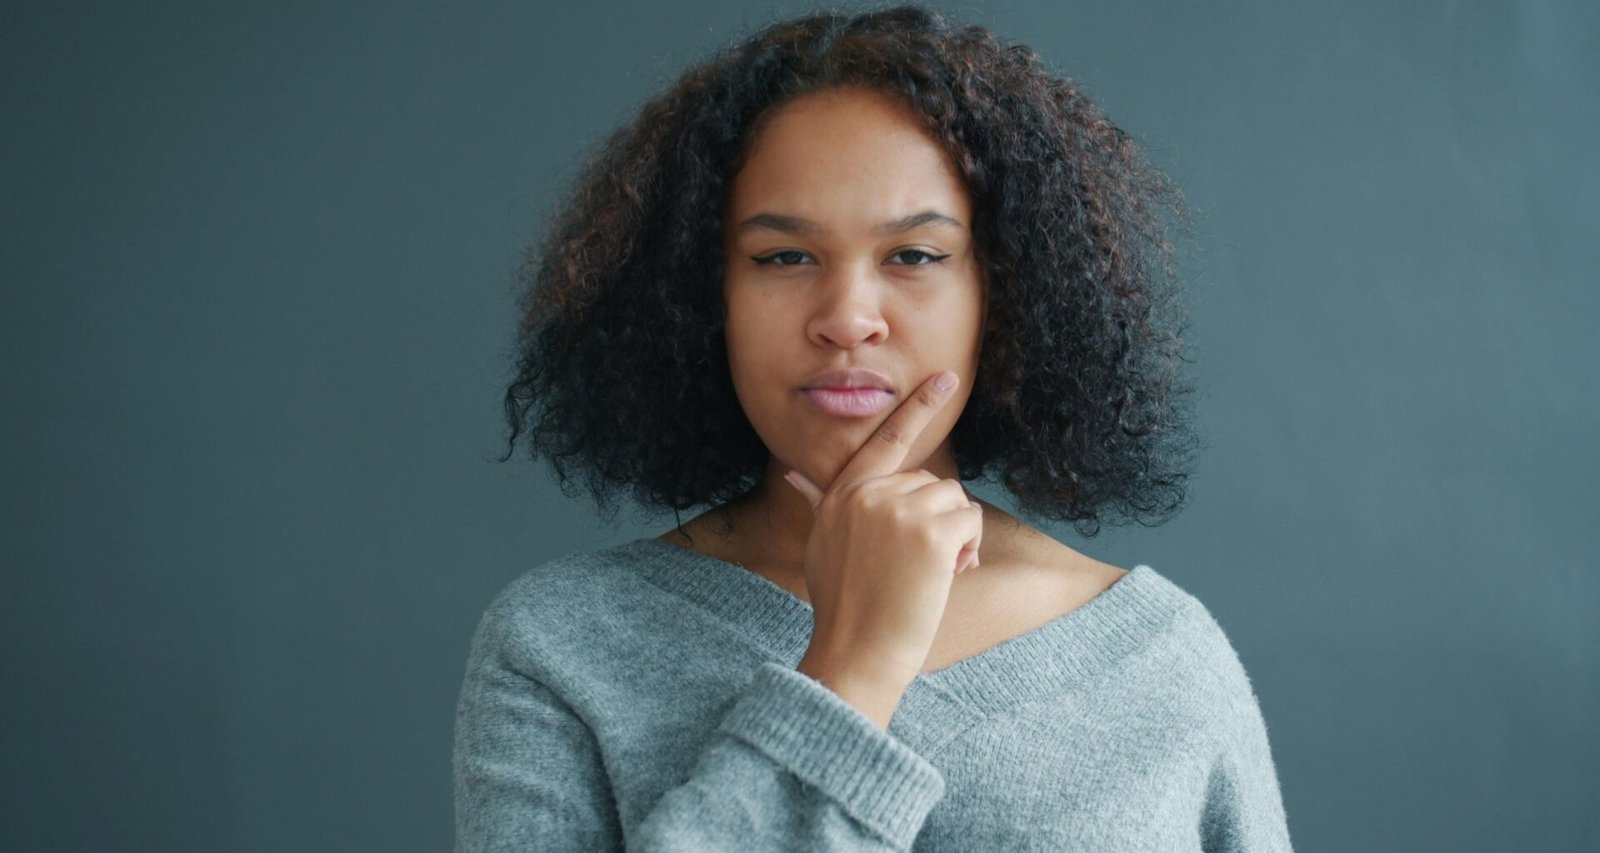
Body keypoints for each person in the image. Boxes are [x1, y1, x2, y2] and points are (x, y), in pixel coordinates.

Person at [455, 5, 1292, 850]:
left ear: (1003, 295)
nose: (847, 318)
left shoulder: (1157, 663)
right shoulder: (562, 645)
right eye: (784, 257)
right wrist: (852, 668)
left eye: (915, 256)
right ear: (704, 300)